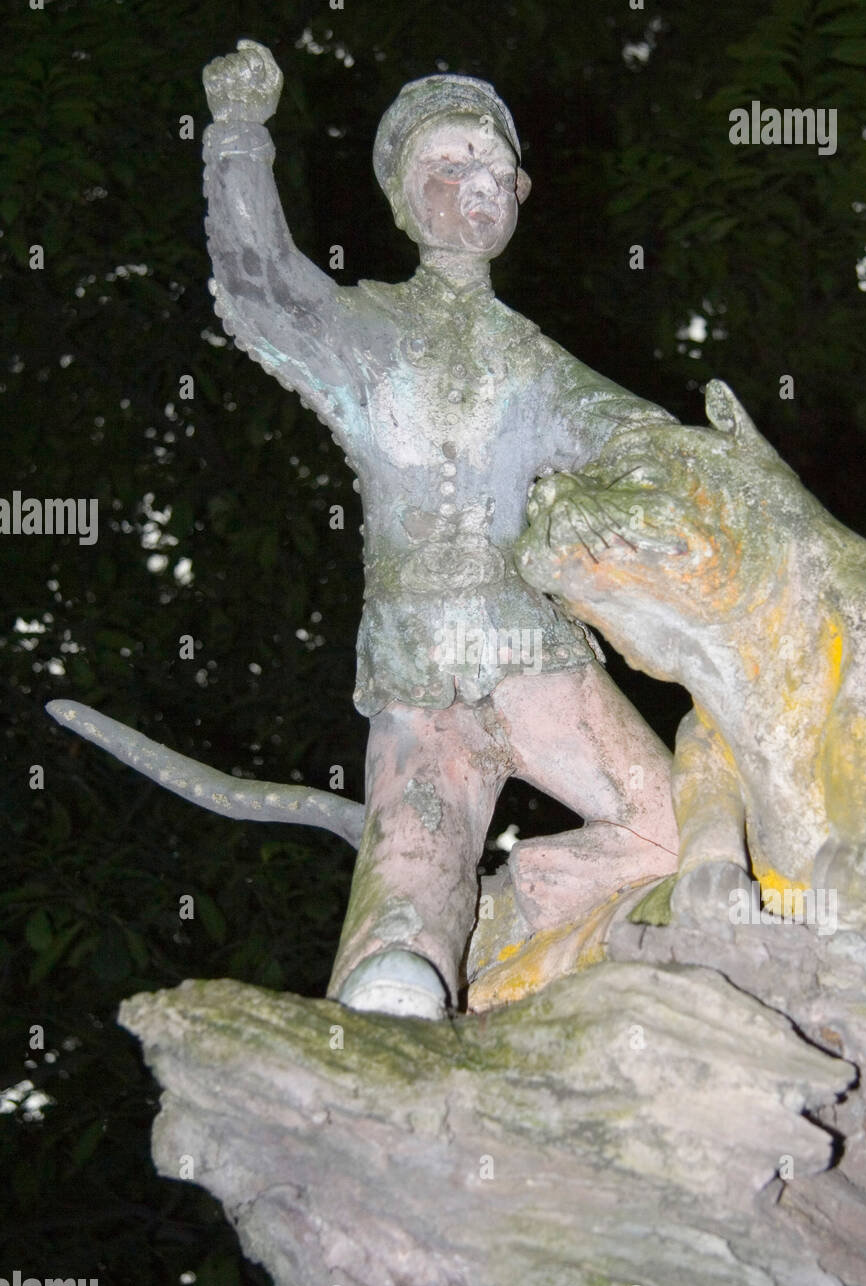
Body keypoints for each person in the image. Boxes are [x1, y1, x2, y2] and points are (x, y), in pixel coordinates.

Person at [202, 41, 679, 1019]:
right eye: (452, 163)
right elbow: (260, 286)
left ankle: (519, 918)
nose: (479, 183)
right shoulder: (367, 331)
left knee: (681, 829)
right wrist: (238, 138)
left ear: (525, 192)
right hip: (419, 663)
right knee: (408, 896)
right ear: (403, 196)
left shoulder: (532, 358)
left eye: (497, 168)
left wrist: (710, 468)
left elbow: (639, 440)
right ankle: (404, 1009)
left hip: (538, 651)